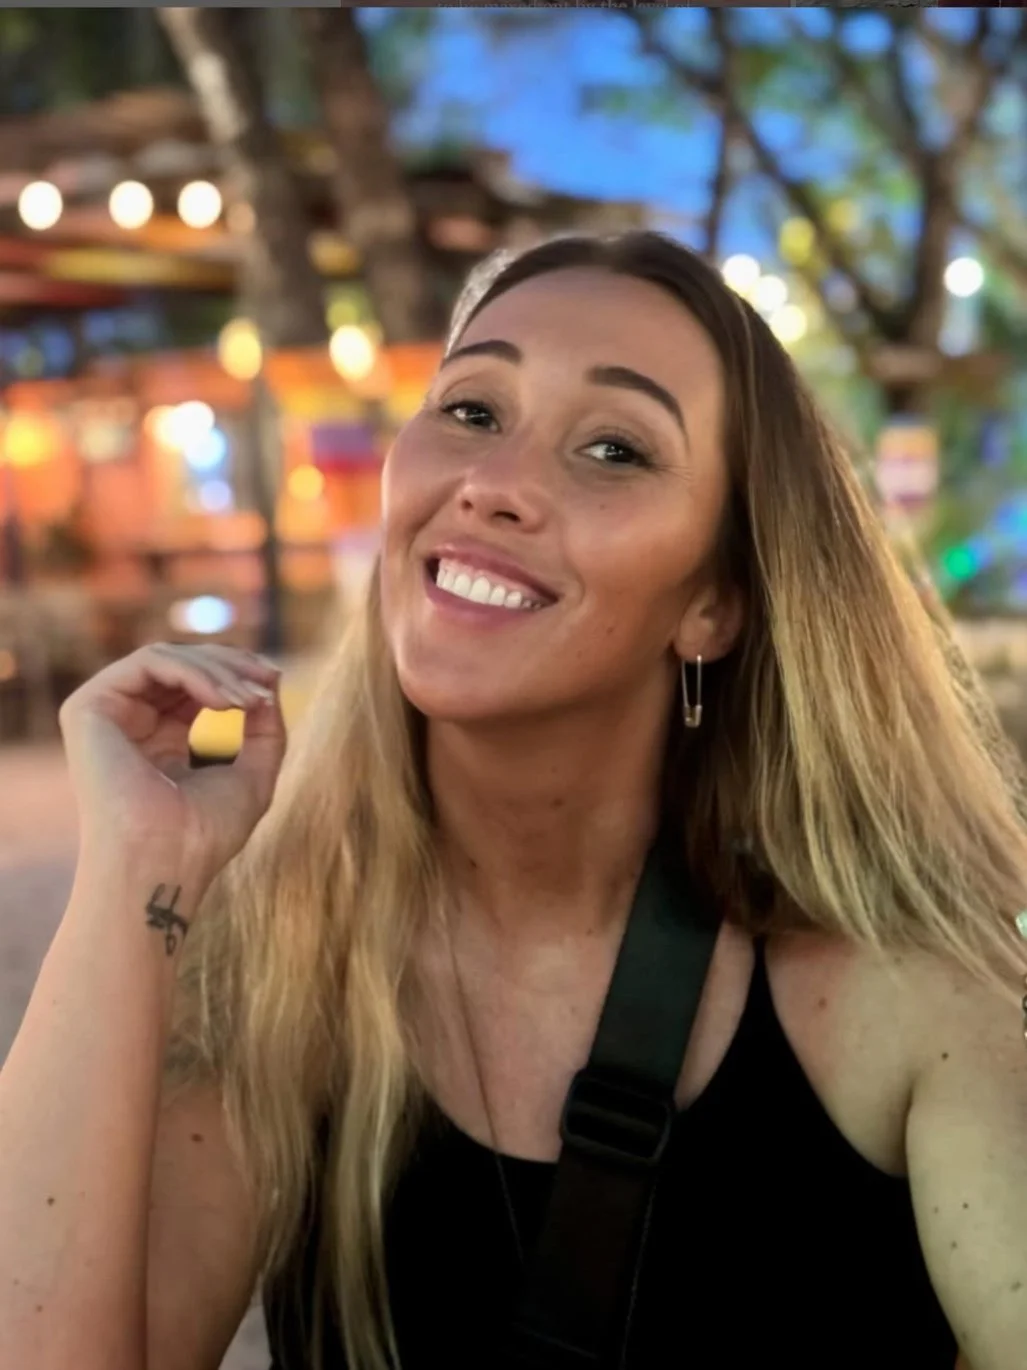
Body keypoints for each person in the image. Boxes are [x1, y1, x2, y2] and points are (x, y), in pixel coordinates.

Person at [1, 231, 1025, 1370]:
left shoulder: (910, 992)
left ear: (714, 605)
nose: (493, 484)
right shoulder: (280, 965)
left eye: (612, 447)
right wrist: (133, 869)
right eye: (474, 411)